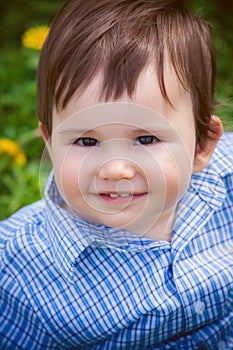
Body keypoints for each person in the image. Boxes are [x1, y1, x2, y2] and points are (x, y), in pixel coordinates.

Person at [1, 0, 233, 348]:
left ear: (201, 145)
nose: (115, 169)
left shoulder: (227, 179)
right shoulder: (17, 269)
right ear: (50, 143)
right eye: (86, 140)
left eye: (145, 138)